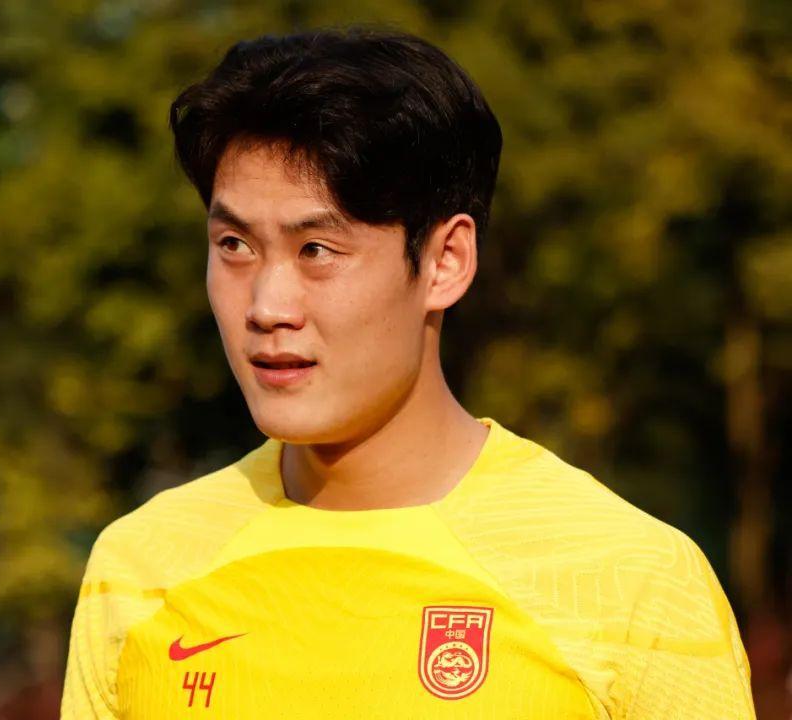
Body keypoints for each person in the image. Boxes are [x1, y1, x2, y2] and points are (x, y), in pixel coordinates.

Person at [60, 26, 755, 719]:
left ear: (446, 262)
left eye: (317, 250)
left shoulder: (632, 584)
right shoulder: (140, 572)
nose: (267, 307)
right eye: (235, 244)